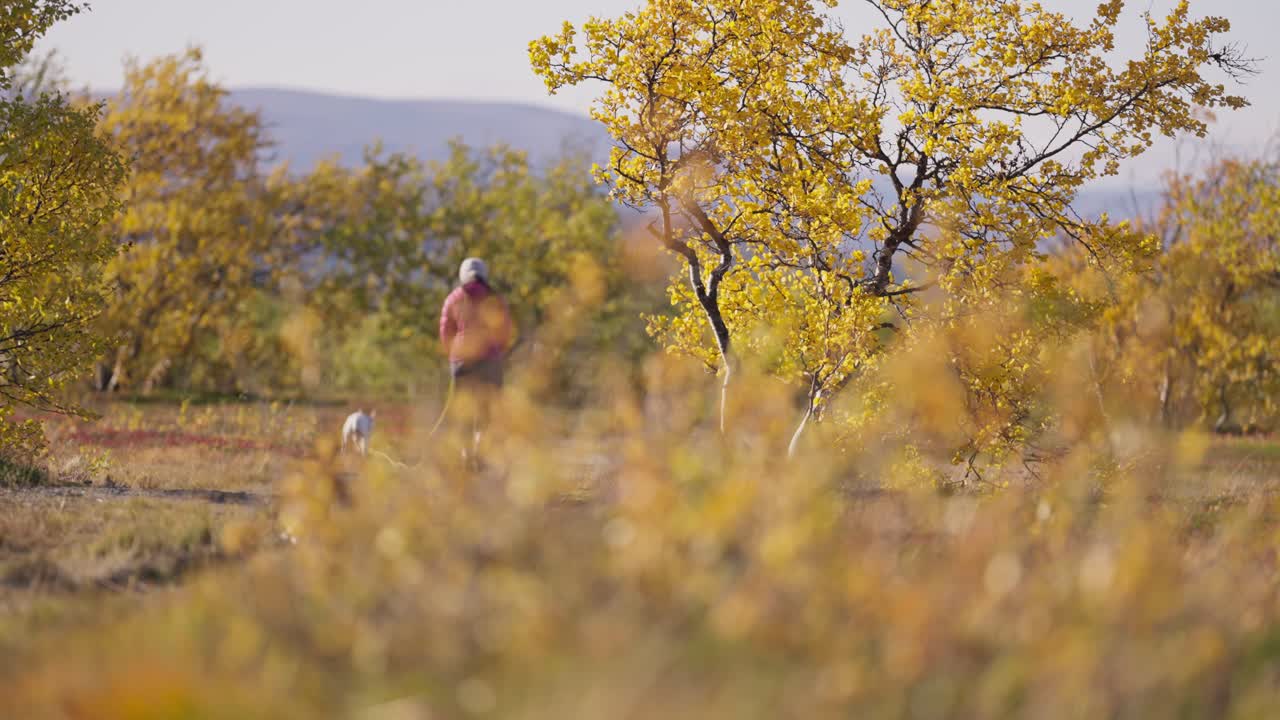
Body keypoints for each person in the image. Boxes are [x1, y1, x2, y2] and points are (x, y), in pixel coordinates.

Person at [438, 257, 513, 460]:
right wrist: (499, 350)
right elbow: (505, 329)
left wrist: (452, 353)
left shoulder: (453, 298)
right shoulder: (495, 299)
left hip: (461, 361)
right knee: (487, 410)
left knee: (463, 409)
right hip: (490, 360)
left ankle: (465, 453)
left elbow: (446, 331)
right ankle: (481, 450)